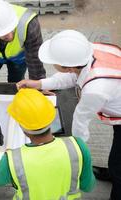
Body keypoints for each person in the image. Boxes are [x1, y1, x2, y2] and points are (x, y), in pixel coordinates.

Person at [16, 30, 121, 200]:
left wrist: (76, 153)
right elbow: (71, 77)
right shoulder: (88, 52)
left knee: (118, 166)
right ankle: (113, 171)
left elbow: (81, 122)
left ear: (68, 66)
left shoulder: (95, 90)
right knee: (116, 158)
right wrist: (38, 84)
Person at [0, 88, 95, 199]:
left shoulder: (13, 159)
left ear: (22, 127)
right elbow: (88, 186)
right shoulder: (78, 147)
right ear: (52, 117)